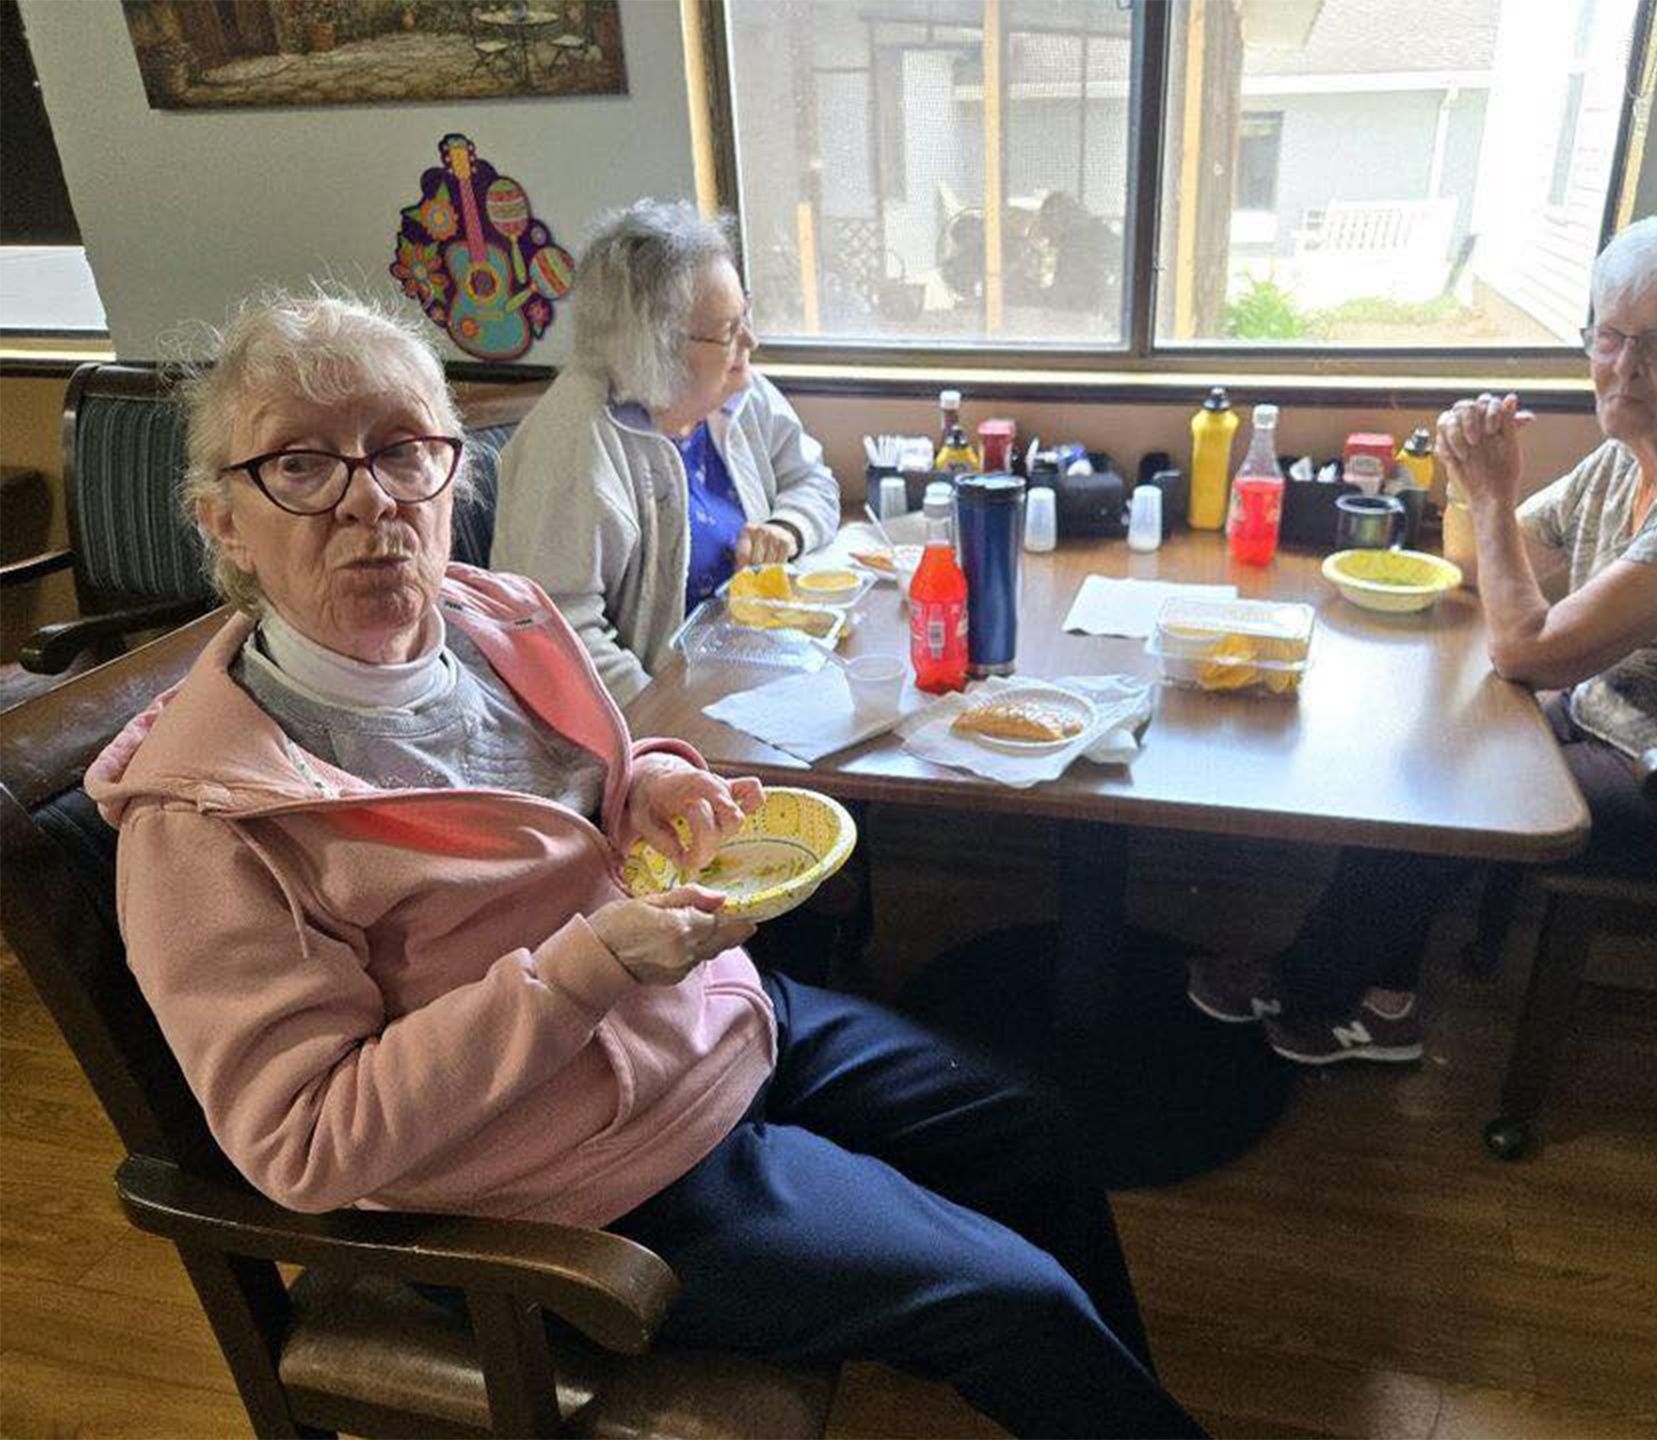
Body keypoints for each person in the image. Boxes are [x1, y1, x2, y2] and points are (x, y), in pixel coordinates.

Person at [87, 293, 1204, 1439]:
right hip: (573, 1186)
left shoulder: (496, 619)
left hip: (708, 1018)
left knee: (1034, 1125)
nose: (371, 497)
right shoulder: (208, 825)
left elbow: (590, 790)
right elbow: (306, 1141)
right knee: (1016, 1300)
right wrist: (583, 972)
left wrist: (655, 781)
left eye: (404, 452)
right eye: (302, 465)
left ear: (452, 474)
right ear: (223, 520)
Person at [1189, 211, 1657, 1064]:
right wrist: (1470, 472)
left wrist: (1488, 494)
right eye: (1609, 336)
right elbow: (1478, 562)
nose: (1623, 368)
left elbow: (1527, 648)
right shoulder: (1631, 452)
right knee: (1425, 745)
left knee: (1461, 787)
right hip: (1631, 725)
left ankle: (1332, 987)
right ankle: (1370, 985)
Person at [491, 200, 841, 708]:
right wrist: (668, 732)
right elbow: (555, 635)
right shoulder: (575, 440)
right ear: (655, 347)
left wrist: (787, 527)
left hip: (753, 667)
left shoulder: (737, 390)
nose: (752, 342)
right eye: (728, 332)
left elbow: (813, 481)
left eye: (746, 316)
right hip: (655, 715)